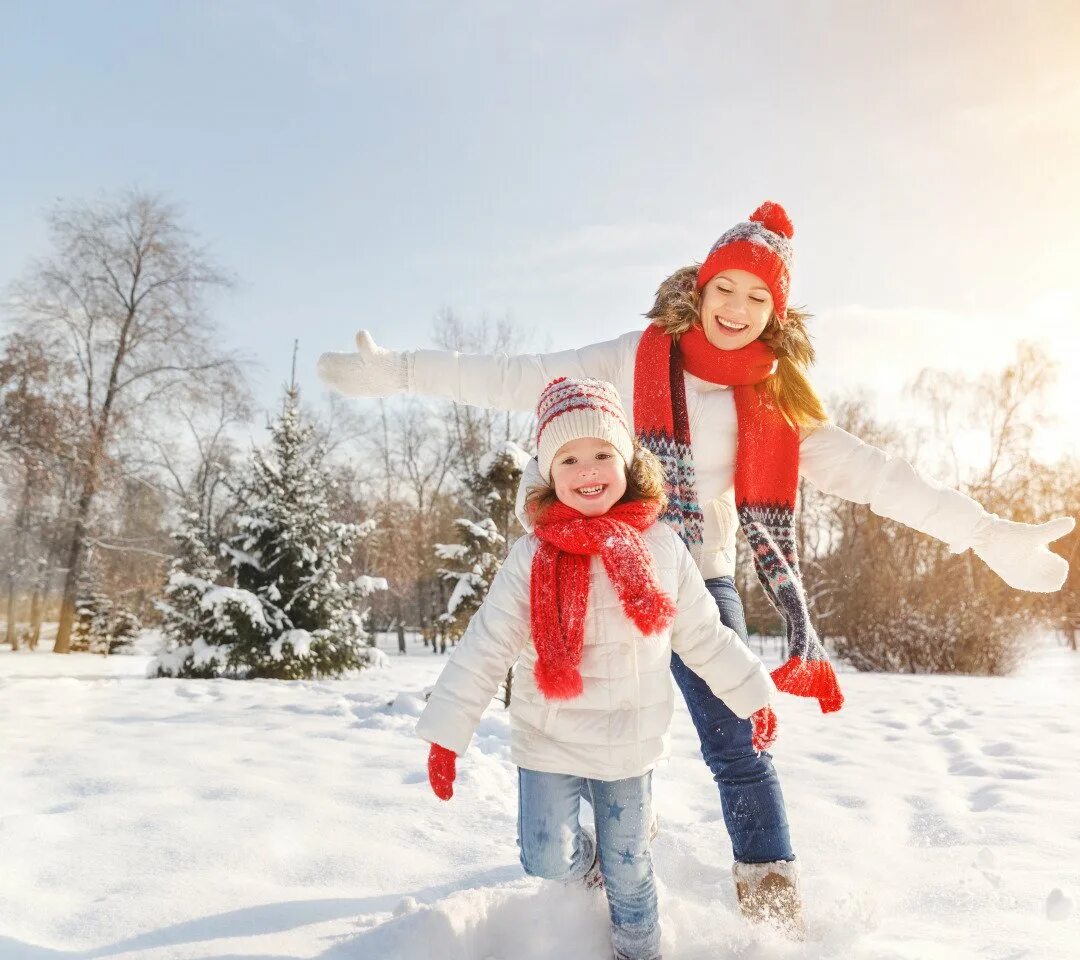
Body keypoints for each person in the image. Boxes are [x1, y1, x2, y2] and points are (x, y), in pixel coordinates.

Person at [319, 201, 1074, 932]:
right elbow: (521, 375)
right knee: (578, 714)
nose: (737, 308)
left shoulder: (779, 406)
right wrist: (401, 373)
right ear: (700, 287)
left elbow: (882, 478)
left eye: (757, 296)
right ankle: (591, 861)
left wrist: (986, 534)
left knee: (736, 739)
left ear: (775, 313)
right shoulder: (630, 358)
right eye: (726, 288)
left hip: (695, 574)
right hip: (590, 563)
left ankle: (771, 899)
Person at [415, 377, 776, 960]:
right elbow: (486, 645)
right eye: (569, 458)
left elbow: (703, 636)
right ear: (548, 473)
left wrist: (751, 694)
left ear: (628, 461)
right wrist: (447, 733)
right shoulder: (532, 556)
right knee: (544, 856)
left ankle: (639, 951)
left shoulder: (662, 547)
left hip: (629, 744)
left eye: (603, 453)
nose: (588, 470)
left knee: (632, 875)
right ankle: (588, 864)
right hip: (549, 735)